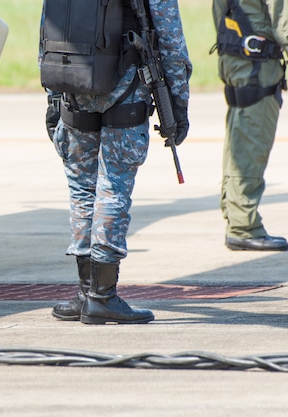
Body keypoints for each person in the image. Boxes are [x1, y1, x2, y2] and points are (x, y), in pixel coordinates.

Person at [42, 0, 192, 324]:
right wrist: (178, 105)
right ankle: (102, 296)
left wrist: (53, 97)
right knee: (113, 186)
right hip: (125, 84)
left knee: (83, 188)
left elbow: (51, 26)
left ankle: (86, 292)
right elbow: (171, 40)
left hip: (72, 82)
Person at [212, 0, 288, 251]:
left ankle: (236, 215)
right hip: (256, 61)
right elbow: (282, 11)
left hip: (235, 55)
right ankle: (244, 226)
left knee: (238, 138)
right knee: (251, 140)